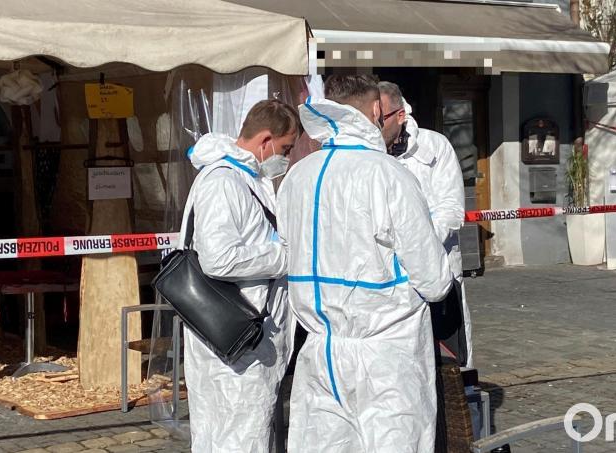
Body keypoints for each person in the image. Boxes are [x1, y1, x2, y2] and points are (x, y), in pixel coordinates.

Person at [277, 75, 453, 453]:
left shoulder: (297, 177)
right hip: (387, 356)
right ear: (376, 110)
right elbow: (435, 280)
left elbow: (288, 249)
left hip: (321, 351)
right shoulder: (388, 175)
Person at [179, 99, 300, 453]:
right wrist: (285, 258)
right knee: (239, 434)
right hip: (235, 338)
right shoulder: (224, 182)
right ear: (265, 140)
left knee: (230, 431)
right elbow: (218, 260)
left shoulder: (243, 177)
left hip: (239, 335)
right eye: (286, 148)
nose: (287, 158)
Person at [378, 81, 472, 368]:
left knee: (450, 366)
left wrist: (417, 244)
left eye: (379, 120)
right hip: (390, 279)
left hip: (439, 272)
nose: (374, 127)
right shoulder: (370, 153)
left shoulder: (435, 146)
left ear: (400, 115)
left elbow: (452, 209)